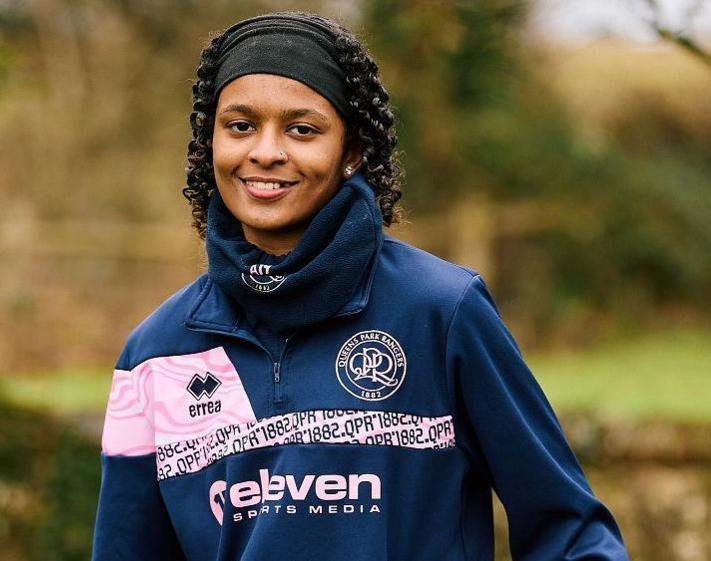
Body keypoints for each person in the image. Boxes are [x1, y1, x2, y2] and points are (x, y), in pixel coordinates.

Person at [91, 11, 629, 561]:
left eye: (302, 129)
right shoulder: (155, 354)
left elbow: (569, 532)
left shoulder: (440, 312)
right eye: (240, 126)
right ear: (211, 143)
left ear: (351, 152)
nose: (266, 152)